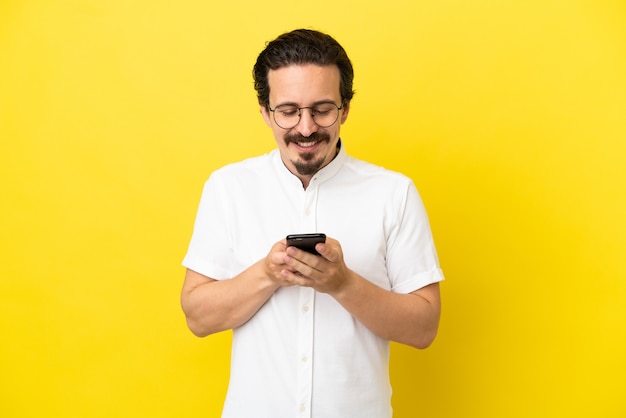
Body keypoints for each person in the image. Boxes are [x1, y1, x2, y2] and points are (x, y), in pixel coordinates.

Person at [181, 28, 444, 418]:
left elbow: (423, 327)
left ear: (346, 108)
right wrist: (268, 273)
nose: (306, 128)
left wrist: (342, 283)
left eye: (322, 109)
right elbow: (197, 316)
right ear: (265, 111)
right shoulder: (228, 188)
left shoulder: (394, 193)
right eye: (288, 111)